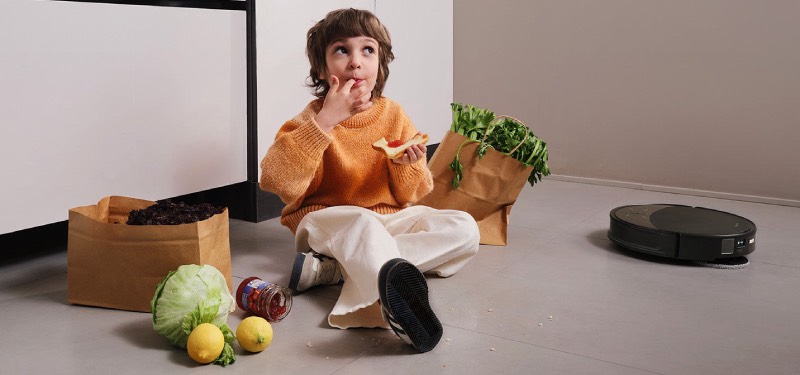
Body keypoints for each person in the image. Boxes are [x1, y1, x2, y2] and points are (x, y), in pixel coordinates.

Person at [259, 8, 479, 353]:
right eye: (341, 50)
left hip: (386, 219)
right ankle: (383, 302)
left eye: (367, 50)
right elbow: (275, 180)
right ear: (321, 68)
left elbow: (414, 193)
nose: (355, 62)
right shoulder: (311, 118)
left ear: (381, 64)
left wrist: (408, 165)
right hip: (328, 222)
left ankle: (336, 271)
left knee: (464, 228)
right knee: (361, 223)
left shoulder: (393, 114)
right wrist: (325, 124)